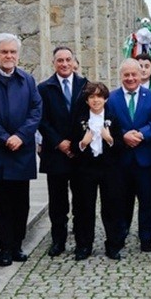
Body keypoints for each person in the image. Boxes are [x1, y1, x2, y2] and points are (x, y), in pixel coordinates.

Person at [0, 33, 42, 267]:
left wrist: (21, 136)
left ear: (18, 55)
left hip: (21, 150)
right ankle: (4, 248)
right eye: (4, 52)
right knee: (2, 202)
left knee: (21, 201)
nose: (9, 56)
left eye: (13, 52)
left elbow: (35, 111)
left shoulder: (27, 80)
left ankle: (18, 245)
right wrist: (5, 137)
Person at [107, 58, 151, 252]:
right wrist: (123, 135)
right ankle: (121, 233)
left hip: (146, 157)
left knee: (148, 200)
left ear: (141, 75)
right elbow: (108, 122)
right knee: (122, 200)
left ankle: (147, 236)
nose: (130, 78)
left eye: (134, 74)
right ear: (121, 76)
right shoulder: (112, 98)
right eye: (126, 75)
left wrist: (142, 133)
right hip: (121, 159)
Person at [38, 46, 88, 257]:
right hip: (55, 152)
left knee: (81, 201)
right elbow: (41, 119)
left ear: (74, 62)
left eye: (68, 60)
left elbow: (89, 116)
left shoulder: (85, 85)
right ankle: (58, 240)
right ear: (54, 63)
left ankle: (81, 241)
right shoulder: (44, 88)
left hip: (80, 153)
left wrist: (75, 143)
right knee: (57, 202)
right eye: (60, 60)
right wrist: (59, 142)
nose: (65, 64)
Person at [71, 82, 126, 260]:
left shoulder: (113, 117)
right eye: (92, 97)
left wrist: (109, 139)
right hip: (86, 168)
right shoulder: (79, 118)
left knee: (111, 207)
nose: (96, 100)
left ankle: (113, 245)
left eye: (99, 96)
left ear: (105, 99)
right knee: (84, 207)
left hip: (109, 168)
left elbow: (121, 145)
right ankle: (84, 245)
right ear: (87, 100)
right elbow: (73, 144)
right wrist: (83, 143)